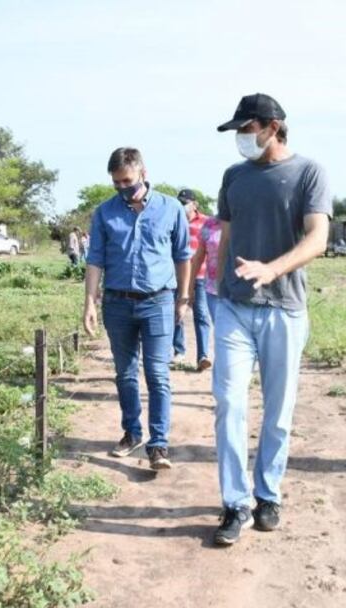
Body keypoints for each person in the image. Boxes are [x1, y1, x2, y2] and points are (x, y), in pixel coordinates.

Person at [211, 93, 332, 545]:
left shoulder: (308, 172)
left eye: (246, 129)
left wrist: (273, 268)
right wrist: (216, 287)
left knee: (277, 413)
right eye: (239, 131)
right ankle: (234, 503)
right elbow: (225, 238)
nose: (241, 139)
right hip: (234, 308)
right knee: (229, 403)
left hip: (284, 308)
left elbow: (318, 238)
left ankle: (268, 494)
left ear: (272, 126)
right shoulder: (234, 177)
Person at [83, 147, 191, 471]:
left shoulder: (171, 208)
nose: (121, 188)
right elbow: (95, 260)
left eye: (126, 181)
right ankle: (132, 432)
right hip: (117, 303)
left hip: (158, 301)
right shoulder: (105, 213)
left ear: (143, 173)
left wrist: (182, 298)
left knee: (157, 373)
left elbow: (183, 255)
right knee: (125, 374)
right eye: (116, 183)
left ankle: (158, 445)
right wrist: (89, 301)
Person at [172, 189, 213, 371]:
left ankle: (202, 355)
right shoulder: (173, 221)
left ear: (194, 204)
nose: (182, 206)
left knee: (202, 315)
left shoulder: (206, 222)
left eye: (185, 203)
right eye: (180, 203)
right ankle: (178, 350)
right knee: (176, 314)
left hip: (200, 276)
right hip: (177, 276)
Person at [189, 214, 223, 323]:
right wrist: (189, 287)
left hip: (239, 291)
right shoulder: (210, 223)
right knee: (220, 329)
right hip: (213, 289)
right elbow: (198, 257)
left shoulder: (246, 220)